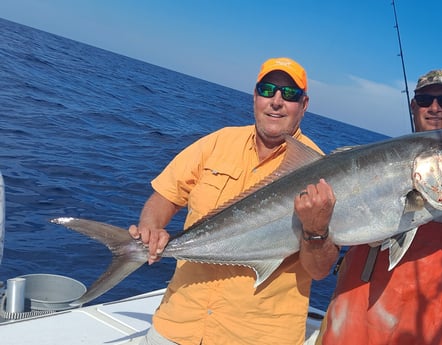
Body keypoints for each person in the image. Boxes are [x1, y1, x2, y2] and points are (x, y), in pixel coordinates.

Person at [129, 57, 340, 345]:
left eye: (289, 95)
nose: (276, 101)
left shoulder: (323, 173)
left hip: (256, 337)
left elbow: (319, 271)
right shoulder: (218, 142)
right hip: (178, 323)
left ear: (303, 105)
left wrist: (315, 231)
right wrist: (151, 227)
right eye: (267, 90)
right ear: (255, 96)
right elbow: (165, 195)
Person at [316, 69, 442, 345]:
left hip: (423, 324)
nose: (435, 107)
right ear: (414, 106)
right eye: (425, 99)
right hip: (353, 309)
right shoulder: (382, 159)